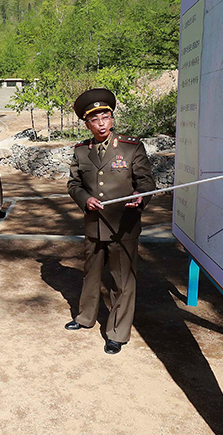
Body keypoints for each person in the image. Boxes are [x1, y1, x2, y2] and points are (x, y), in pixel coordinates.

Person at [66, 88, 156, 355]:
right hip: (94, 224)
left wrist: (141, 196)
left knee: (122, 281)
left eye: (105, 117)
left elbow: (147, 182)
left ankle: (116, 332)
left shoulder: (131, 148)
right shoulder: (82, 151)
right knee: (90, 275)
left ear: (112, 119)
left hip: (123, 225)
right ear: (87, 123)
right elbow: (73, 183)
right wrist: (84, 199)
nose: (101, 123)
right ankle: (85, 317)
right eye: (95, 119)